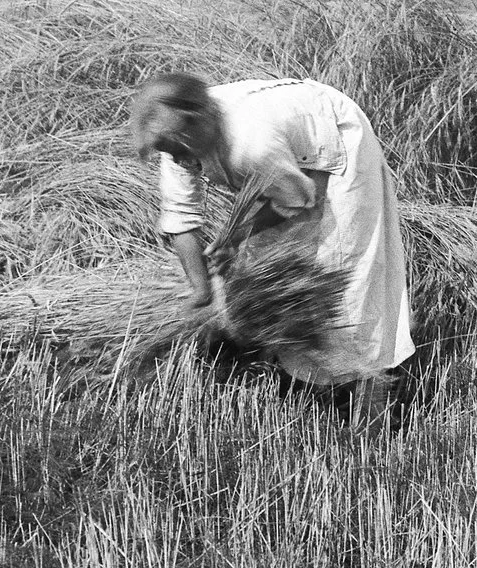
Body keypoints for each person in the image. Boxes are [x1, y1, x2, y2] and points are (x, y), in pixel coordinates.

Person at [128, 73, 414, 389]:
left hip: (336, 141)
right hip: (284, 150)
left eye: (177, 150)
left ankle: (372, 383)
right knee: (268, 270)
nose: (175, 160)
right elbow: (181, 219)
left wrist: (235, 238)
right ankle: (305, 374)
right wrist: (201, 289)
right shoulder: (178, 142)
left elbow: (296, 199)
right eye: (168, 152)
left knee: (345, 267)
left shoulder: (250, 143)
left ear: (199, 124)